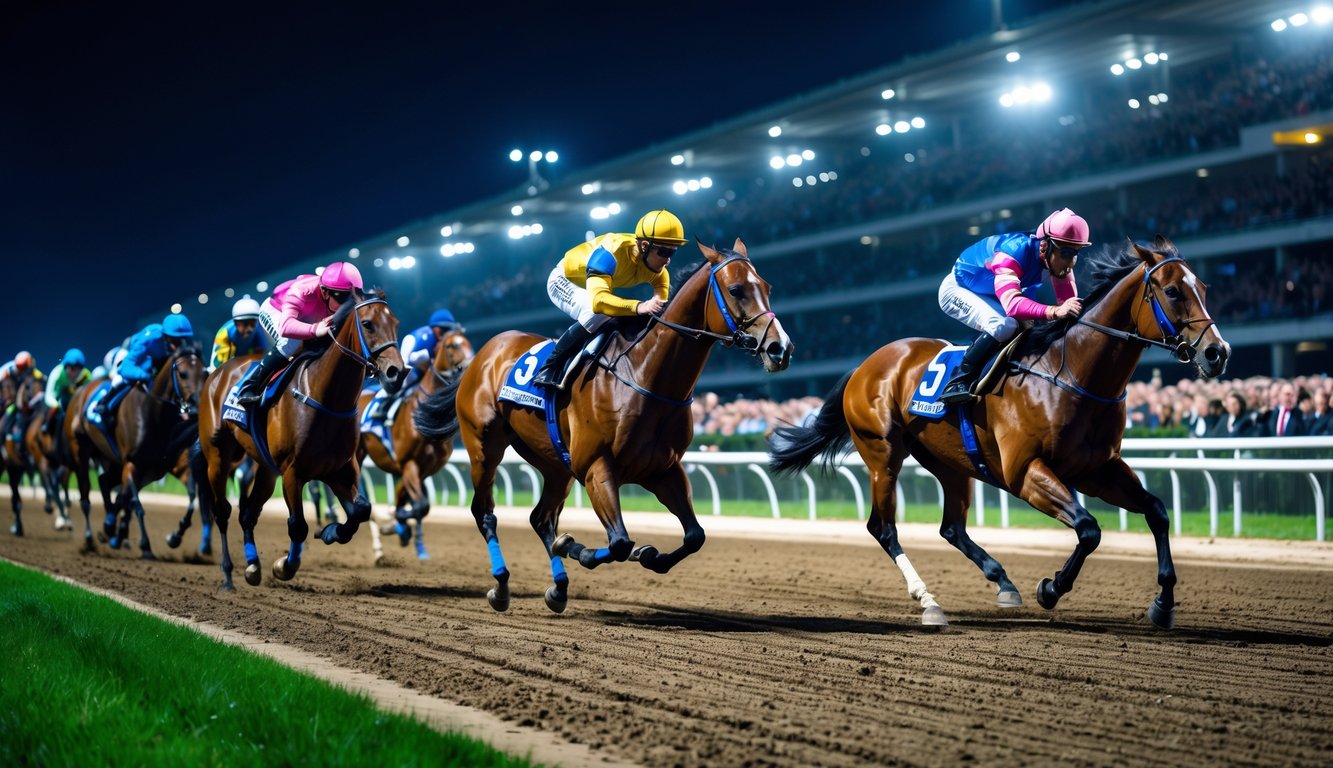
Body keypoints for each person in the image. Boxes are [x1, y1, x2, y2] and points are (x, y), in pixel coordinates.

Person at [937, 208, 1090, 404]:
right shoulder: (1013, 252)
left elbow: (1069, 311)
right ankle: (958, 380)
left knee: (1033, 328)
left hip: (993, 294)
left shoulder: (1057, 261)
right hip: (958, 290)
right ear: (1044, 247)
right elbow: (1013, 306)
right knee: (1003, 326)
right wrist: (1054, 311)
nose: (1071, 262)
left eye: (1076, 253)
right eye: (1066, 252)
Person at [531, 208, 685, 389]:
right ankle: (549, 366)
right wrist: (639, 306)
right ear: (644, 246)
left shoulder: (659, 272)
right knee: (595, 313)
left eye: (672, 253)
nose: (668, 261)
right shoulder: (609, 253)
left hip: (596, 285)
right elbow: (599, 302)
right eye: (664, 253)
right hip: (565, 280)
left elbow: (660, 313)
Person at [235, 261, 362, 407]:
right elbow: (285, 327)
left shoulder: (340, 295)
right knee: (291, 342)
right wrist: (314, 329)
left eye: (352, 298)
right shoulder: (302, 291)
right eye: (344, 298)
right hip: (277, 310)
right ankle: (249, 386)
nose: (348, 305)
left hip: (311, 314)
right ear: (326, 292)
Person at [366, 307, 460, 420]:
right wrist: (427, 356)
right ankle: (380, 405)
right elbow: (408, 358)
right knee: (405, 382)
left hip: (420, 368)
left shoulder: (440, 342)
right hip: (406, 362)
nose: (447, 334)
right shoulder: (425, 336)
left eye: (449, 330)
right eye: (444, 330)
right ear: (435, 328)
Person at [95, 314, 195, 419]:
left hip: (155, 357)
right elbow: (126, 368)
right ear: (165, 336)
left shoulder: (176, 342)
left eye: (182, 340)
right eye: (175, 341)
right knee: (121, 379)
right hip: (130, 352)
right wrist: (145, 376)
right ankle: (104, 403)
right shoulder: (149, 340)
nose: (178, 345)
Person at [209, 295, 269, 371]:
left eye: (252, 323)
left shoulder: (260, 330)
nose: (249, 329)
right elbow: (217, 367)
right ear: (236, 323)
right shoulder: (224, 334)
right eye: (245, 324)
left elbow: (265, 357)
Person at [42, 348, 91, 434]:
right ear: (65, 367)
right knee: (54, 410)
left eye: (78, 369)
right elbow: (48, 395)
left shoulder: (86, 375)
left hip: (76, 400)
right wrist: (56, 405)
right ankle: (47, 426)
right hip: (58, 399)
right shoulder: (56, 373)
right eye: (72, 369)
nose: (74, 373)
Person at [1, 351, 45, 440]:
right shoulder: (6, 373)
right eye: (23, 370)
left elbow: (42, 381)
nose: (26, 373)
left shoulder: (36, 374)